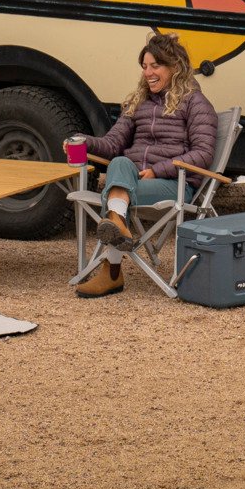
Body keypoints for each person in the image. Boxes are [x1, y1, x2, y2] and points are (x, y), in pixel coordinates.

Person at [71, 32, 218, 300]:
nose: (147, 73)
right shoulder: (138, 102)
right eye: (144, 66)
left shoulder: (195, 103)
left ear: (175, 67)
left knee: (117, 192)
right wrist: (84, 142)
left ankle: (112, 271)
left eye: (155, 66)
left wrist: (159, 169)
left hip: (173, 184)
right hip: (133, 180)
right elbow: (112, 143)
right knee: (119, 163)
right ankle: (117, 222)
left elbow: (203, 153)